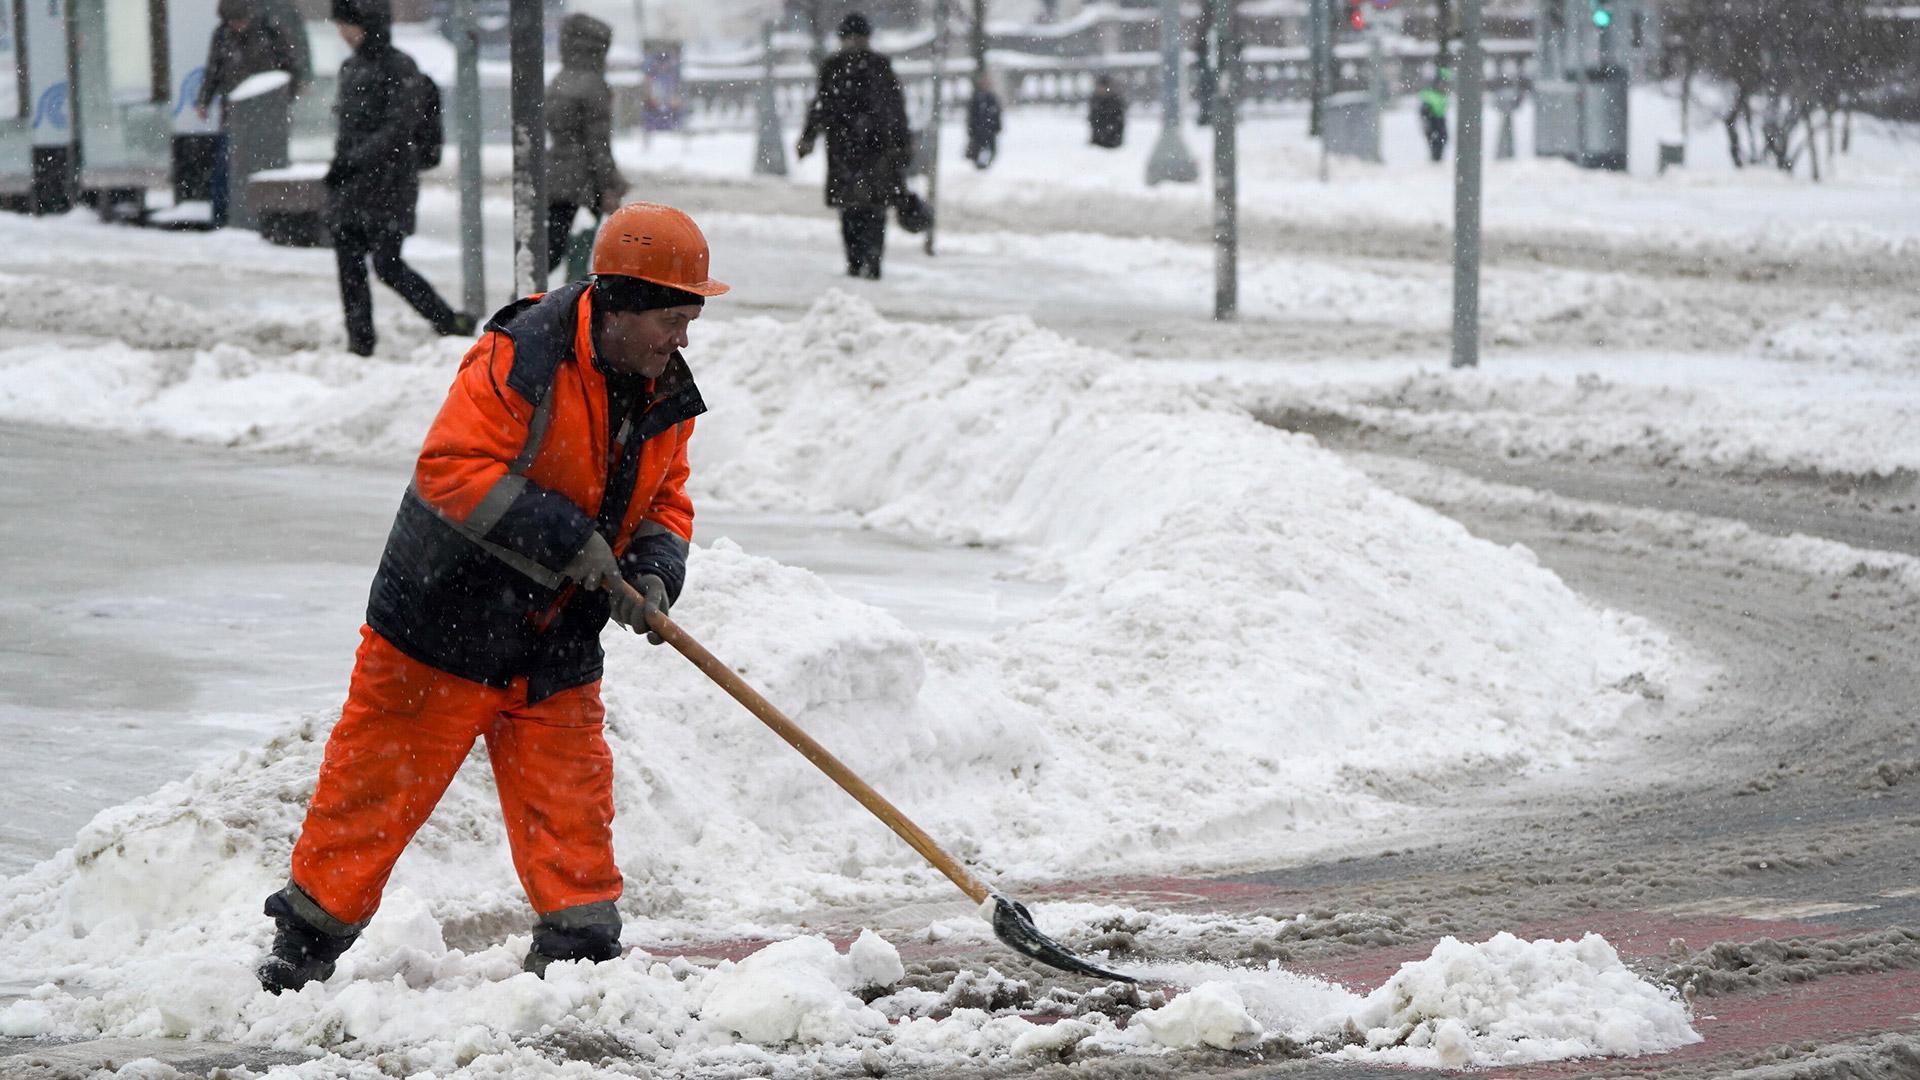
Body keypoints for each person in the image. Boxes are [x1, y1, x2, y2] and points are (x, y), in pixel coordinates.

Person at [253, 202, 728, 994]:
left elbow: (667, 497)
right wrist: (568, 539)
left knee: (570, 798)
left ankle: (578, 954)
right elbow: (453, 468)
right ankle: (302, 947)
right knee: (371, 796)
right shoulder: (522, 357)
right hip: (445, 620)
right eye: (672, 318)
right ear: (619, 302)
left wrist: (652, 570)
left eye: (689, 321)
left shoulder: (662, 390)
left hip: (554, 638)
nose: (681, 338)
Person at [325, 0, 470, 356]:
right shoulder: (350, 67)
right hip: (353, 184)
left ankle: (447, 321)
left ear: (367, 24)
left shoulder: (399, 66)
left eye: (347, 25)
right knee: (349, 262)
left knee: (388, 264)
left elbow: (399, 128)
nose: (343, 33)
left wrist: (353, 160)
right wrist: (340, 167)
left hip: (389, 184)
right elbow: (349, 130)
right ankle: (360, 343)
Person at [796, 12, 910, 280]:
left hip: (851, 149)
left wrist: (809, 137)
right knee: (869, 209)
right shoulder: (873, 65)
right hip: (870, 149)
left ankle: (859, 261)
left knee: (856, 210)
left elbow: (821, 106)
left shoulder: (840, 66)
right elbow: (896, 107)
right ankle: (868, 261)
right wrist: (902, 143)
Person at [194, 0, 303, 228]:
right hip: (234, 116)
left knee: (267, 169)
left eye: (240, 21)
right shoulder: (222, 35)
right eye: (232, 22)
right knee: (226, 168)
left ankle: (267, 219)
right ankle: (224, 220)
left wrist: (283, 100)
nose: (237, 26)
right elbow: (213, 70)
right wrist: (203, 100)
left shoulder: (271, 30)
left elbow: (291, 68)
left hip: (268, 118)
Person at [546, 13, 628, 274]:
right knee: (583, 255)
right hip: (584, 182)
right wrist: (610, 185)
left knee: (550, 252)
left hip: (556, 176)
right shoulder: (593, 85)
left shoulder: (560, 79)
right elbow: (597, 144)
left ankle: (522, 300)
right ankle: (574, 308)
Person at [964, 72, 1002, 170]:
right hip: (979, 130)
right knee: (977, 148)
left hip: (989, 129)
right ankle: (978, 166)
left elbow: (997, 113)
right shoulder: (976, 97)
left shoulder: (992, 97)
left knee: (991, 149)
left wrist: (996, 126)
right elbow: (971, 114)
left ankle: (986, 166)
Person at [1419, 73, 1451, 163]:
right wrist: (1427, 121)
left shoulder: (1442, 95)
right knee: (1436, 140)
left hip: (1440, 119)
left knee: (1442, 138)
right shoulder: (1430, 95)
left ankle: (1437, 158)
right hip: (1432, 119)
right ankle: (1435, 158)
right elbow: (1424, 109)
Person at [1088, 73, 1126, 149]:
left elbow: (1118, 123)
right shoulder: (1095, 100)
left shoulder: (1115, 101)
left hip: (1112, 141)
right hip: (1097, 140)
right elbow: (1093, 119)